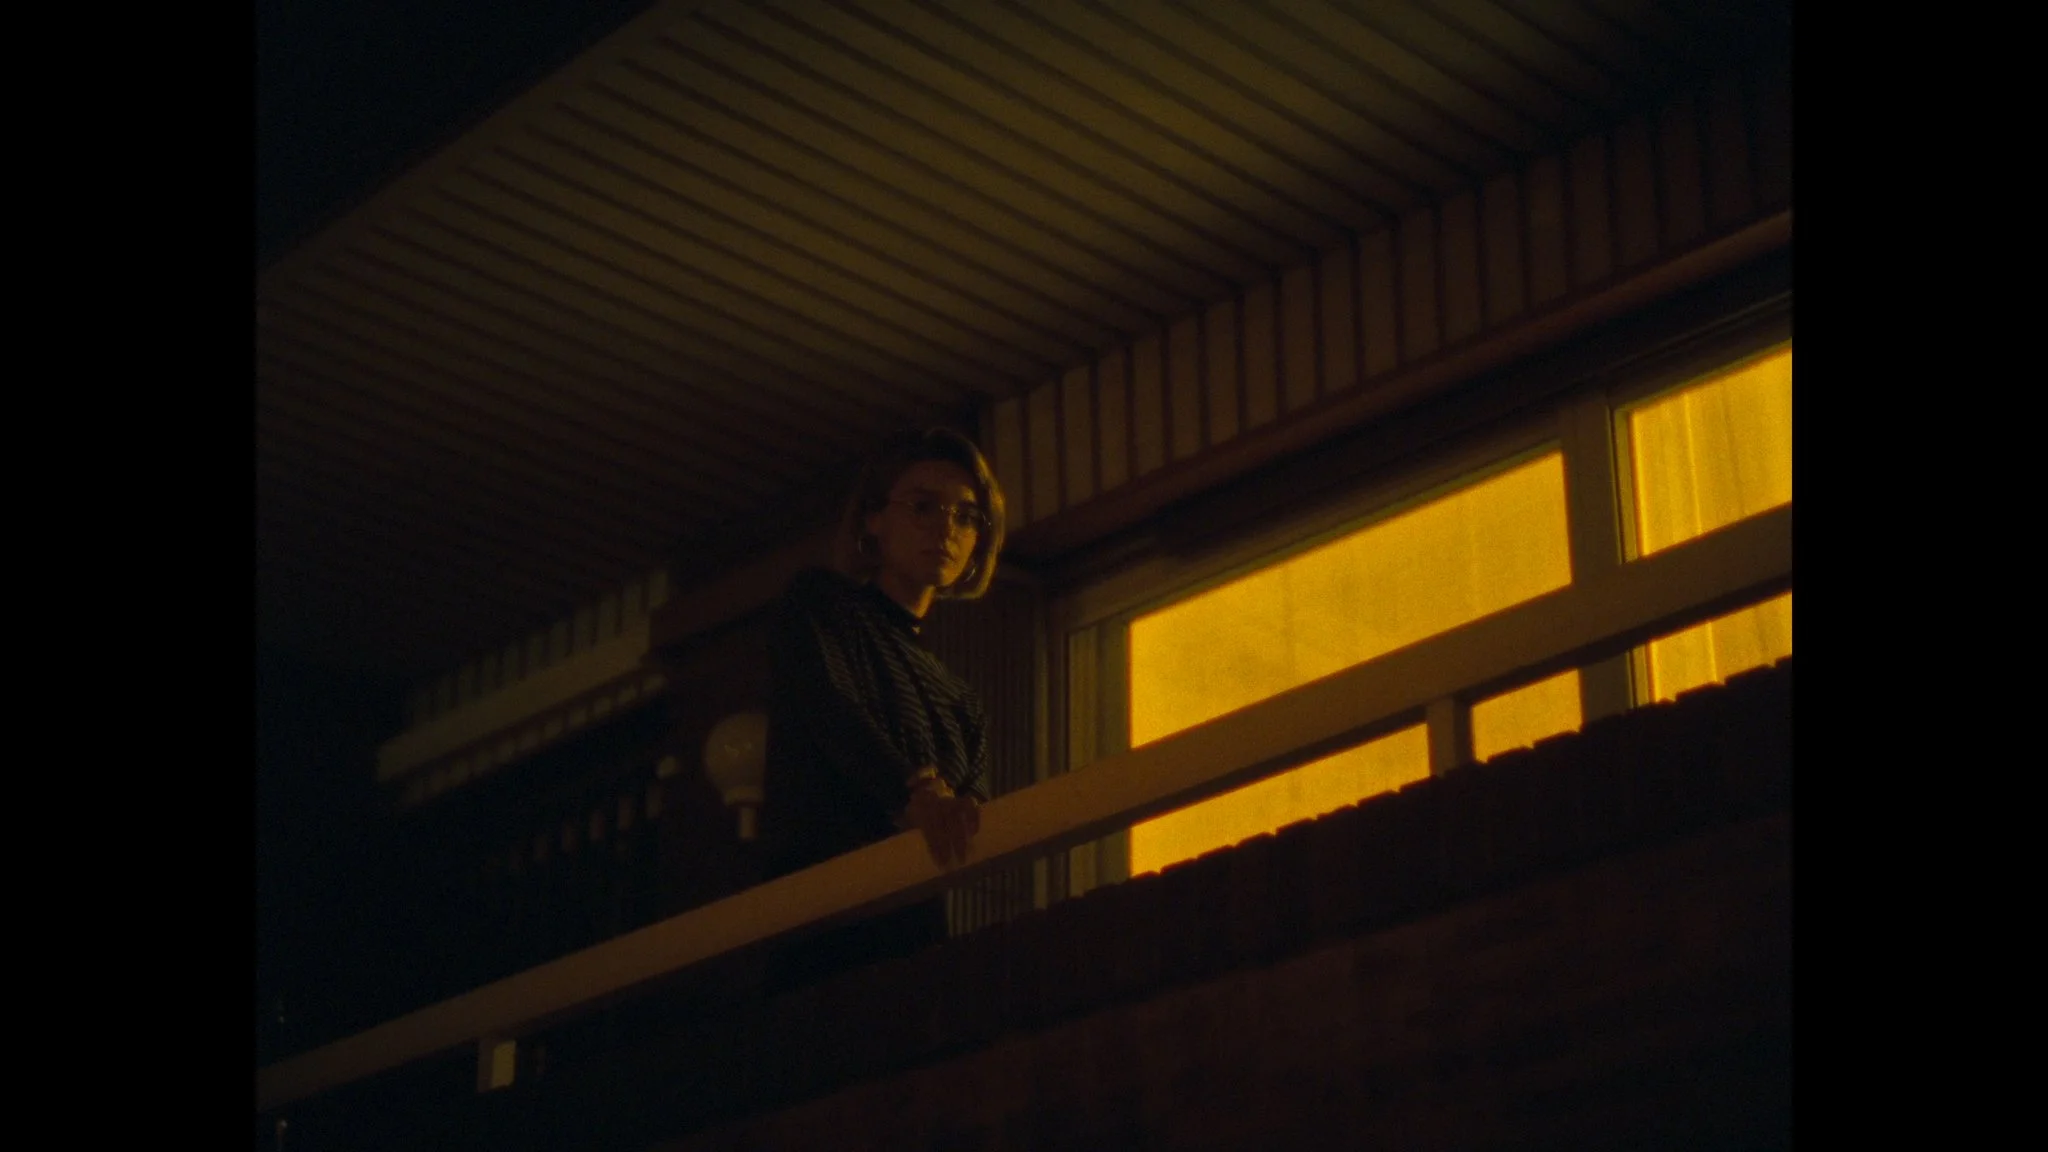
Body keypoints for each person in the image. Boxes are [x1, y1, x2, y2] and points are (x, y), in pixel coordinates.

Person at [759, 427, 1006, 992]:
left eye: (967, 517)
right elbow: (832, 708)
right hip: (820, 914)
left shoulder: (959, 699)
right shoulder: (820, 604)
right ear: (874, 518)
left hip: (912, 927)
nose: (946, 528)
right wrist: (911, 792)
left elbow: (972, 810)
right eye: (923, 506)